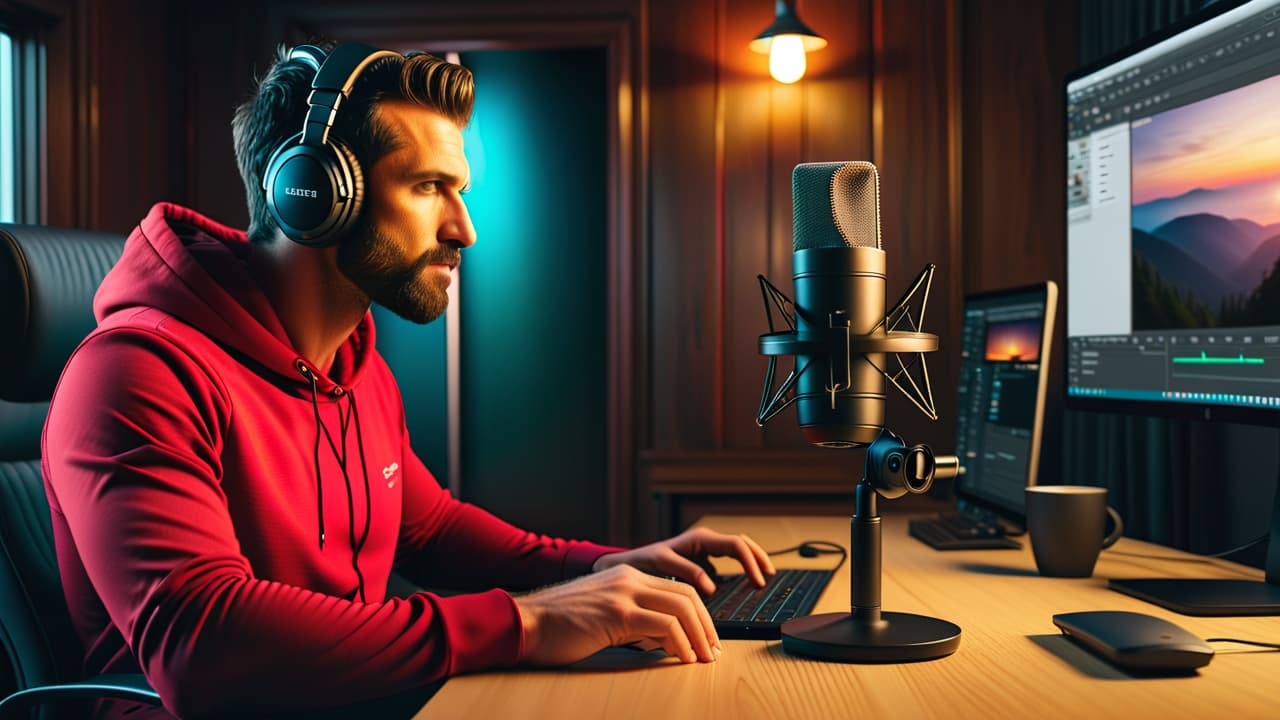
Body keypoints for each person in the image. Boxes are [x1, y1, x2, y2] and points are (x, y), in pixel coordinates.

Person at [42, 43, 776, 719]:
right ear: (316, 193)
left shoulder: (357, 366)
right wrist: (527, 622)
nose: (464, 228)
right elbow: (201, 645)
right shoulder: (137, 374)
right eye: (430, 187)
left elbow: (428, 529)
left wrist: (609, 567)